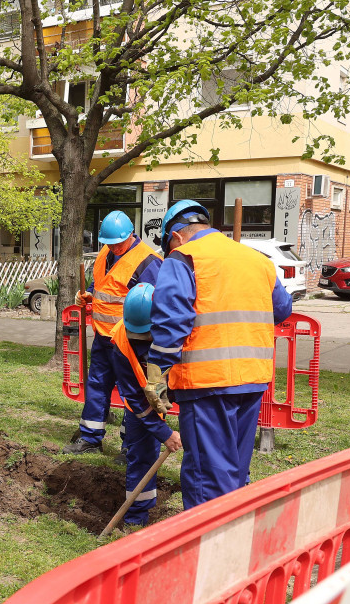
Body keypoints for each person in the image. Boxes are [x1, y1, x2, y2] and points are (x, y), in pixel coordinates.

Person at [145, 199, 293, 509]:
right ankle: (233, 541)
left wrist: (156, 378)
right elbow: (281, 309)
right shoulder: (257, 259)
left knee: (206, 480)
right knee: (234, 474)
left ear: (176, 236)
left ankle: (207, 550)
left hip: (206, 386)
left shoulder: (183, 257)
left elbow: (171, 325)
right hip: (252, 382)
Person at [63, 210, 162, 454]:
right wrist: (87, 294)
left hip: (131, 342)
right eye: (109, 244)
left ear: (130, 236)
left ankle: (131, 446)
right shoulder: (104, 255)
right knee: (97, 385)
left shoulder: (148, 261)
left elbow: (155, 301)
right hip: (102, 337)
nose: (114, 248)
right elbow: (100, 286)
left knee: (133, 394)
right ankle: (90, 438)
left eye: (118, 243)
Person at [107, 284, 182, 528]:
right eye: (136, 336)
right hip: (140, 400)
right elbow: (135, 398)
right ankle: (136, 518)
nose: (141, 343)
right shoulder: (119, 343)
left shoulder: (176, 327)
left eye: (146, 336)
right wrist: (164, 433)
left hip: (181, 388)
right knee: (142, 456)